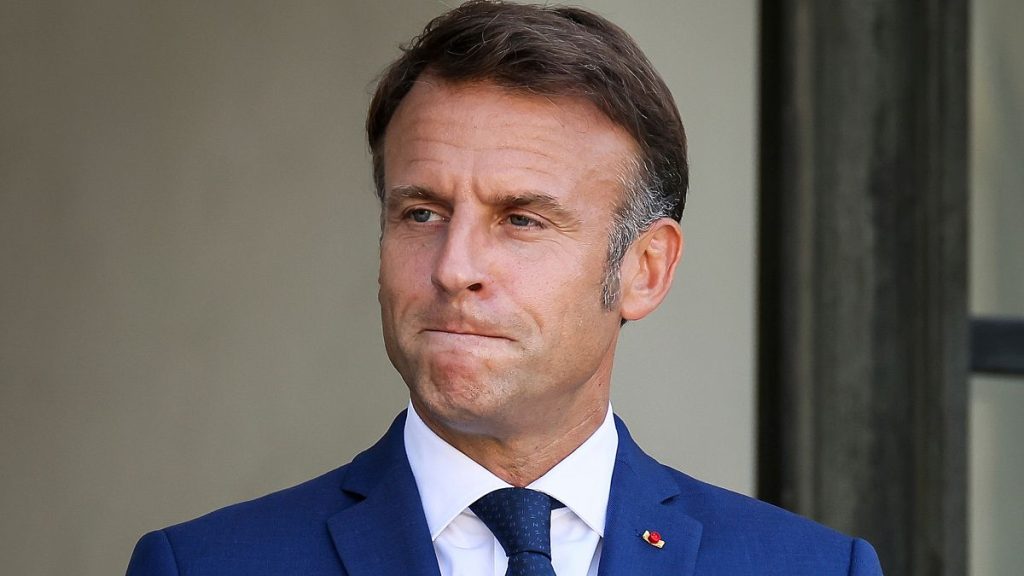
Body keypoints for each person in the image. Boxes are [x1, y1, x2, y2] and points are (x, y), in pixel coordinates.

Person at [127, 2, 883, 574]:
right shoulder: (204, 566)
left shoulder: (810, 569)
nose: (454, 267)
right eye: (421, 212)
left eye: (521, 220)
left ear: (644, 270)